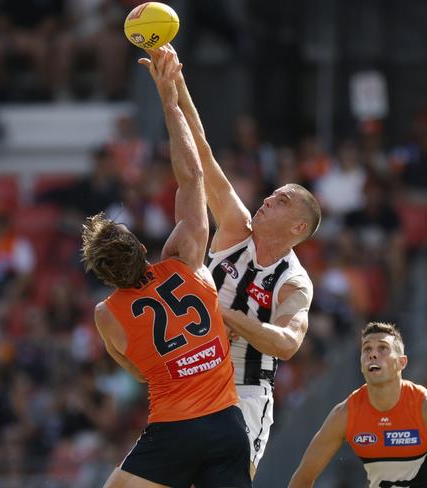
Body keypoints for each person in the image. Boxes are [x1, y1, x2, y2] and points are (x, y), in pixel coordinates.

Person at [141, 45, 322, 477]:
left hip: (244, 391)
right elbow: (202, 153)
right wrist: (176, 82)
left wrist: (223, 314)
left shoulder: (294, 281)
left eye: (280, 201)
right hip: (192, 373)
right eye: (272, 194)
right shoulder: (238, 228)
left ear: (297, 227)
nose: (266, 200)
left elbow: (287, 344)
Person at [81, 49, 251, 488]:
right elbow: (192, 177)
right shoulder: (183, 258)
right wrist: (169, 99)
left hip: (174, 429)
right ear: (140, 245)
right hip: (228, 424)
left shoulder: (106, 314)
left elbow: (140, 372)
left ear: (103, 275)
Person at [288, 322, 427, 488]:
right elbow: (304, 475)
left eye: (383, 348)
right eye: (367, 349)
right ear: (361, 363)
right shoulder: (345, 414)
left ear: (402, 362)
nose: (373, 354)